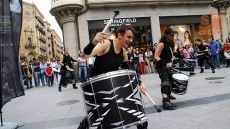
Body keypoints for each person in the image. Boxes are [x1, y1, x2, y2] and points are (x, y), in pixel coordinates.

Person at [78, 25, 148, 129]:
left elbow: (129, 70)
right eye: (129, 37)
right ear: (119, 35)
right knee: (97, 117)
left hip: (113, 87)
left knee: (141, 120)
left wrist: (140, 83)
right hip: (98, 89)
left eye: (132, 37)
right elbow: (84, 56)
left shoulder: (123, 52)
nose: (131, 40)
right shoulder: (106, 44)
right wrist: (93, 43)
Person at [154, 28, 177, 110]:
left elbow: (172, 53)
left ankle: (168, 95)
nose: (172, 36)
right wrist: (165, 64)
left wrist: (179, 53)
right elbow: (156, 57)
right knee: (165, 81)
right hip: (161, 65)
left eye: (173, 34)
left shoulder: (172, 42)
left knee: (170, 80)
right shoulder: (161, 44)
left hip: (169, 64)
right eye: (171, 35)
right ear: (166, 35)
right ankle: (165, 102)